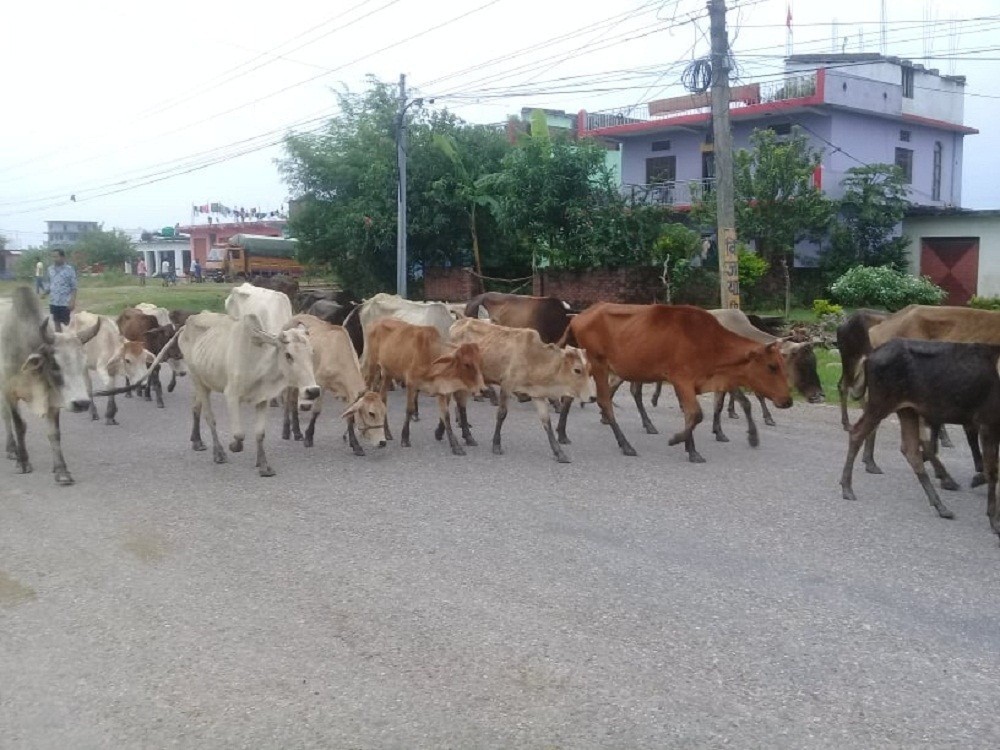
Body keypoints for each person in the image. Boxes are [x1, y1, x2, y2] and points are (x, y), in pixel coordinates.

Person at [46, 249, 77, 332]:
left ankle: (68, 340)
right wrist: (45, 292)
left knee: (67, 324)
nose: (54, 259)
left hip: (65, 302)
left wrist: (72, 301)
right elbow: (50, 283)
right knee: (56, 322)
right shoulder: (50, 269)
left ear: (63, 257)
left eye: (56, 256)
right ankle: (59, 340)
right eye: (53, 257)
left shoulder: (69, 270)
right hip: (54, 301)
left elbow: (74, 287)